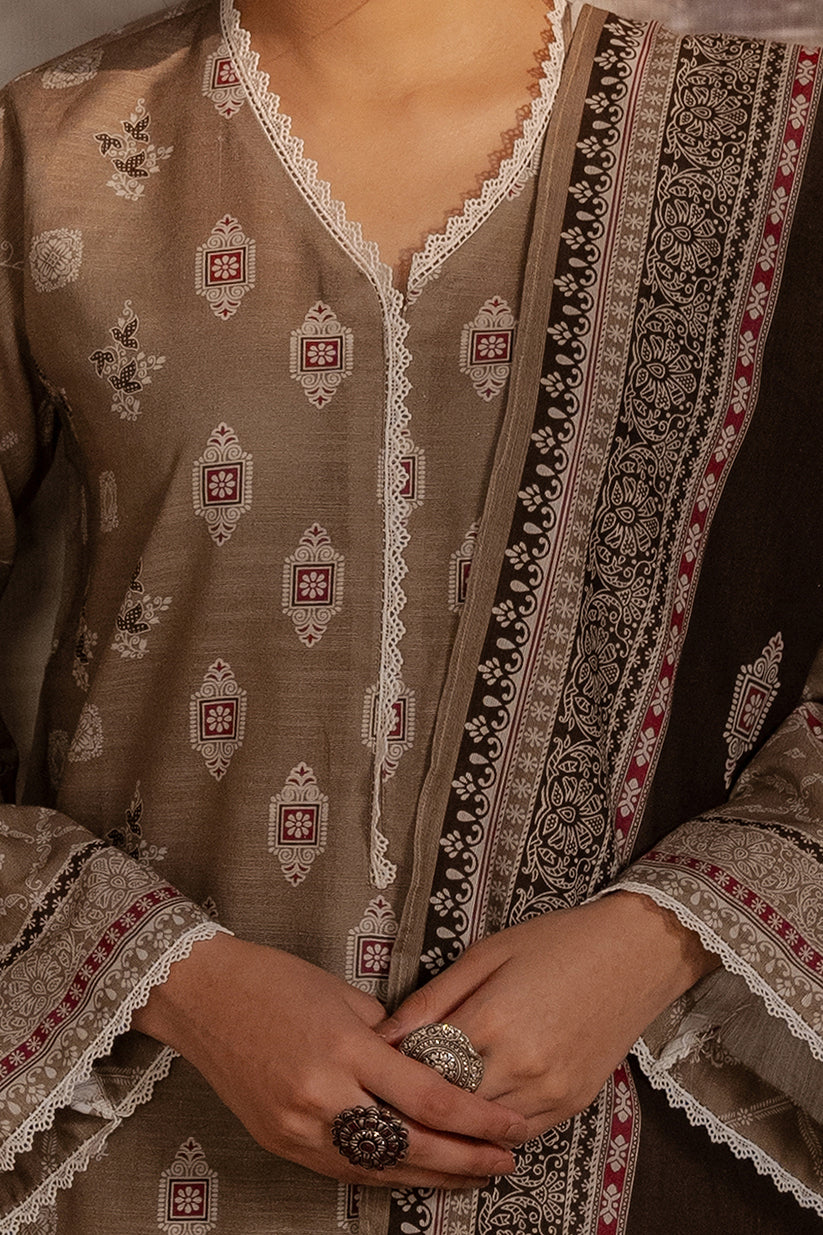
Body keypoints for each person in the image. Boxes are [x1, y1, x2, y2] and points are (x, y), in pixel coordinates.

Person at [0, 0, 822, 1231]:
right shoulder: (45, 157)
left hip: (655, 1139)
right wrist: (175, 978)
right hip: (146, 1142)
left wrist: (662, 933)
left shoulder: (780, 153)